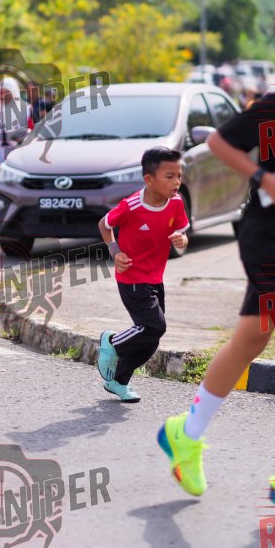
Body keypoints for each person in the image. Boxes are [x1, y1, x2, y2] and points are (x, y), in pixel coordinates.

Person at [157, 0, 275, 524]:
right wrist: (265, 177)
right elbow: (221, 142)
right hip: (274, 241)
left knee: (250, 339)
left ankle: (185, 433)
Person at [97, 148, 189, 402]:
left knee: (151, 339)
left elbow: (182, 232)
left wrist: (181, 240)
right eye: (169, 176)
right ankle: (112, 342)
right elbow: (105, 224)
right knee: (154, 326)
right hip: (132, 278)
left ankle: (118, 381)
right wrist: (115, 251)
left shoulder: (176, 202)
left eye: (179, 175)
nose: (176, 182)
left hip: (155, 279)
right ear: (149, 179)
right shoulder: (132, 206)